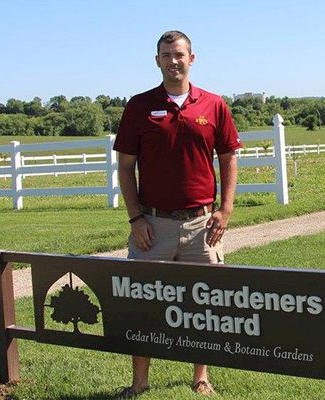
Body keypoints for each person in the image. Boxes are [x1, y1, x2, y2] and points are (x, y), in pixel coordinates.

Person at [113, 30, 242, 397]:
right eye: (166, 54)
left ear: (192, 58)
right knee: (142, 302)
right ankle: (140, 382)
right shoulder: (139, 106)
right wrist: (136, 218)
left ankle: (200, 377)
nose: (174, 60)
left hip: (202, 224)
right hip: (152, 225)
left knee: (205, 302)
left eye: (180, 54)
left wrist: (226, 209)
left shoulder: (214, 105)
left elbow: (229, 157)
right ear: (157, 61)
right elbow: (125, 168)